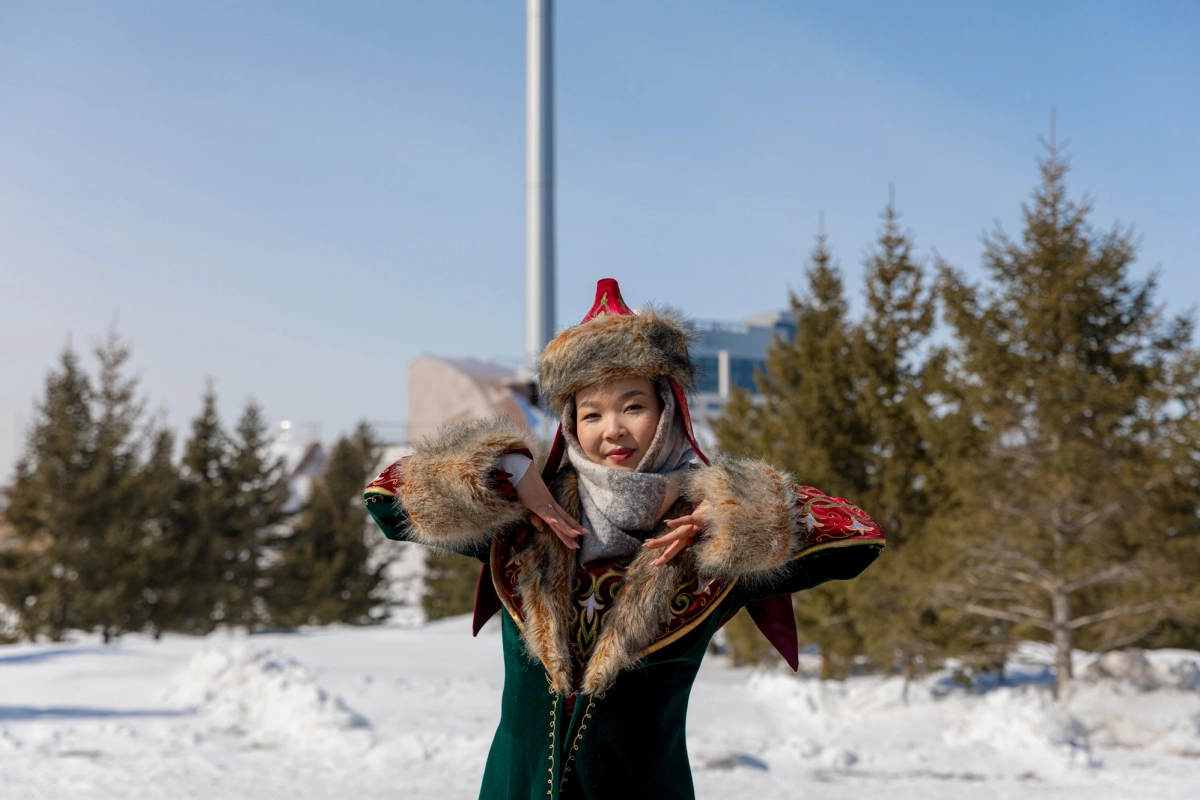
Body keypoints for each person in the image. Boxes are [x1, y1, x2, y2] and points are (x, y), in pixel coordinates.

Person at [364, 278, 885, 800]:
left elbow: (861, 539)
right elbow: (386, 498)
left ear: (668, 412)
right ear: (571, 425)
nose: (611, 428)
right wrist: (509, 467)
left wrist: (741, 509)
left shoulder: (712, 542)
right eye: (591, 413)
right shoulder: (524, 521)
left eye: (632, 406)